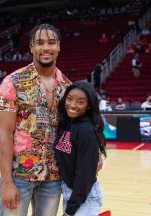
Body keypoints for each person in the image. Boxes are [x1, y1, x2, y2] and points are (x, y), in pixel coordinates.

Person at [0, 23, 72, 216]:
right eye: (39, 43)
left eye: (51, 42)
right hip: (19, 175)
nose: (45, 48)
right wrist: (6, 182)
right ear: (31, 47)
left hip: (53, 177)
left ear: (59, 46)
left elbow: (72, 133)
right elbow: (5, 134)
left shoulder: (68, 88)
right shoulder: (13, 82)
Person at [54, 80, 106, 216]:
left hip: (84, 197)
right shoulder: (67, 123)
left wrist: (70, 210)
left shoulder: (86, 130)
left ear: (89, 106)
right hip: (71, 192)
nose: (72, 105)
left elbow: (85, 175)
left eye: (80, 101)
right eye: (69, 99)